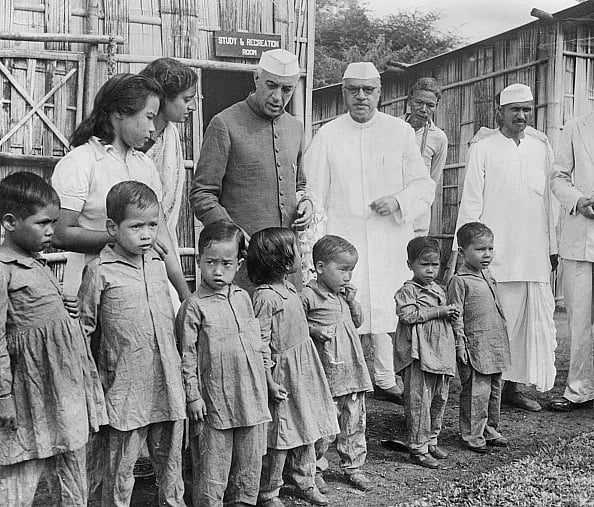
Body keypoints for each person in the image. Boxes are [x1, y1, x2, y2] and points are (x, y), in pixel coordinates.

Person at [305, 62, 434, 405]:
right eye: (353, 90)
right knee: (347, 305)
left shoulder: (400, 132)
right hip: (345, 240)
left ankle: (386, 377)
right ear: (343, 92)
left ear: (380, 92)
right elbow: (315, 195)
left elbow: (424, 185)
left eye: (369, 90)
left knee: (387, 306)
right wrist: (317, 249)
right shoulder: (327, 135)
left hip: (389, 237)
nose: (361, 96)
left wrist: (397, 200)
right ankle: (345, 382)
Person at [78, 181, 186, 506]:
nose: (146, 234)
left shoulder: (157, 264)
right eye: (136, 226)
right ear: (113, 227)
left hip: (167, 380)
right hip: (124, 385)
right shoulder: (99, 271)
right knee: (119, 467)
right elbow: (84, 330)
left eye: (153, 225)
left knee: (171, 463)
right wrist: (90, 382)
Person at [0, 172, 105, 506]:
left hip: (62, 384)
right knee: (21, 467)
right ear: (10, 222)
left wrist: (63, 307)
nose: (51, 232)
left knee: (73, 462)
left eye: (55, 223)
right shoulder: (4, 269)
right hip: (29, 390)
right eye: (43, 223)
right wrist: (3, 394)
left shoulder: (36, 262)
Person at [452, 83, 557, 411]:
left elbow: (550, 200)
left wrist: (552, 247)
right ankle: (485, 389)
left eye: (527, 109)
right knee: (494, 321)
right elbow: (470, 201)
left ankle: (514, 388)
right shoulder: (484, 147)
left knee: (528, 323)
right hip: (493, 253)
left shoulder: (541, 147)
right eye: (515, 109)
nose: (522, 115)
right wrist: (463, 251)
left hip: (533, 251)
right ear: (501, 112)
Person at [51, 73, 190, 301]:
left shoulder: (145, 166)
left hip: (144, 289)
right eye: (148, 117)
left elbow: (163, 238)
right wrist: (120, 239)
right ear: (120, 113)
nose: (153, 128)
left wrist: (184, 294)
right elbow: (59, 234)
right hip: (94, 291)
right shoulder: (81, 162)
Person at [190, 48, 313, 291]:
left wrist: (306, 202)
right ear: (256, 78)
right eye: (271, 85)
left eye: (287, 89)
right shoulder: (225, 123)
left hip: (288, 268)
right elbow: (201, 194)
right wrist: (233, 234)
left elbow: (298, 184)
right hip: (245, 267)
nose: (278, 97)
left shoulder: (295, 128)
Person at [176, 222, 270, 507]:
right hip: (214, 400)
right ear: (198, 261)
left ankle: (243, 501)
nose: (217, 271)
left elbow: (258, 343)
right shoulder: (193, 306)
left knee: (249, 461)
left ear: (239, 264)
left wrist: (269, 380)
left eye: (226, 264)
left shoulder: (243, 299)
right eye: (210, 263)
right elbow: (186, 355)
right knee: (212, 464)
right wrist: (192, 396)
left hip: (250, 396)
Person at [247, 228, 338, 507]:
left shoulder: (290, 288)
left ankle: (305, 480)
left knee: (307, 426)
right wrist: (269, 381)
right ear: (284, 262)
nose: (302, 255)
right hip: (282, 374)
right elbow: (260, 343)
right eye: (298, 252)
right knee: (282, 434)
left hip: (305, 369)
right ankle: (269, 491)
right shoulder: (265, 297)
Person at [300, 235, 374, 492]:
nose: (347, 276)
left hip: (352, 372)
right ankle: (315, 468)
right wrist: (315, 330)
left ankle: (353, 466)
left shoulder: (343, 295)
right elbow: (295, 325)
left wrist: (353, 301)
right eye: (342, 269)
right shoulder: (308, 295)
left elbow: (357, 322)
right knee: (325, 427)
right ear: (320, 268)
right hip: (327, 374)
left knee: (354, 422)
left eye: (351, 270)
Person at [393, 236, 458, 469]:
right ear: (410, 264)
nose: (430, 270)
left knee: (439, 397)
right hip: (418, 353)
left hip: (439, 352)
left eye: (435, 265)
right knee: (419, 400)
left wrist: (450, 315)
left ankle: (431, 440)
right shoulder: (407, 291)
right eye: (424, 264)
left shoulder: (438, 289)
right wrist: (439, 311)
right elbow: (408, 315)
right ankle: (418, 448)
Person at [139, 57, 198, 309]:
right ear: (163, 98)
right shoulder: (136, 144)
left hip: (163, 242)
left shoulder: (170, 135)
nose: (192, 106)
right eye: (186, 99)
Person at [447, 222, 511, 453]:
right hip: (475, 345)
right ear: (463, 252)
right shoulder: (459, 281)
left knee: (494, 390)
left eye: (490, 249)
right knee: (476, 391)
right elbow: (456, 315)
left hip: (494, 343)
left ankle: (490, 429)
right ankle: (472, 434)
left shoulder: (487, 275)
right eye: (480, 249)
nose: (487, 254)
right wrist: (460, 343)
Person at [550, 111, 594, 411]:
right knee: (580, 318)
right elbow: (558, 177)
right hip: (581, 238)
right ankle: (578, 389)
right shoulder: (577, 127)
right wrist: (579, 201)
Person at [402, 77, 448, 236]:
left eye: (430, 105)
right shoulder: (394, 129)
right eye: (418, 102)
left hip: (418, 213)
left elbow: (432, 179)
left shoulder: (439, 138)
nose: (423, 109)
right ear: (410, 100)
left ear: (436, 107)